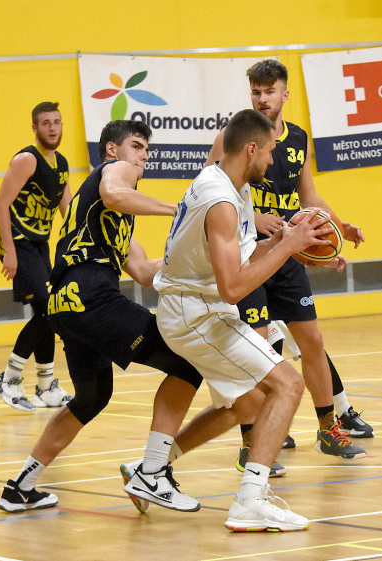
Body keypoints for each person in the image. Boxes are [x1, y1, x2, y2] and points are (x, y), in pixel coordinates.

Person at [0, 120, 208, 513]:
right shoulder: (114, 175)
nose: (144, 155)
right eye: (137, 145)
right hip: (92, 294)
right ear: (112, 149)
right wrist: (180, 210)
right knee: (188, 364)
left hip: (65, 305)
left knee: (92, 396)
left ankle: (20, 487)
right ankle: (152, 473)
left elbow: (145, 273)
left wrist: (207, 257)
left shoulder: (109, 214)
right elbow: (114, 193)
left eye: (147, 149)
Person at [134, 109, 331, 531]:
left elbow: (242, 259)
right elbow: (233, 288)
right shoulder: (221, 200)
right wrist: (285, 247)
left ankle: (151, 468)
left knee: (246, 402)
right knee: (288, 384)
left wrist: (286, 242)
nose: (274, 162)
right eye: (271, 152)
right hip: (195, 314)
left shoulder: (233, 187)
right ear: (252, 149)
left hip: (199, 308)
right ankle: (249, 501)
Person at [204, 60, 371, 474]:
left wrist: (336, 226)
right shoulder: (233, 136)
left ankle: (329, 430)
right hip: (250, 256)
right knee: (259, 350)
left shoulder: (297, 139)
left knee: (312, 341)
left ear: (284, 94)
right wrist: (251, 218)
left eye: (269, 91)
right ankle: (252, 443)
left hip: (290, 252)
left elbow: (308, 194)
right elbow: (207, 190)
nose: (263, 99)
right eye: (256, 92)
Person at [0, 102, 74, 411]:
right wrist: (9, 252)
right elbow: (1, 204)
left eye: (57, 122)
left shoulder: (61, 164)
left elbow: (69, 212)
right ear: (35, 129)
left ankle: (46, 386)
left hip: (39, 244)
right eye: (46, 123)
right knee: (47, 311)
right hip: (18, 243)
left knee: (49, 311)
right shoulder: (26, 160)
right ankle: (8, 379)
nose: (52, 127)